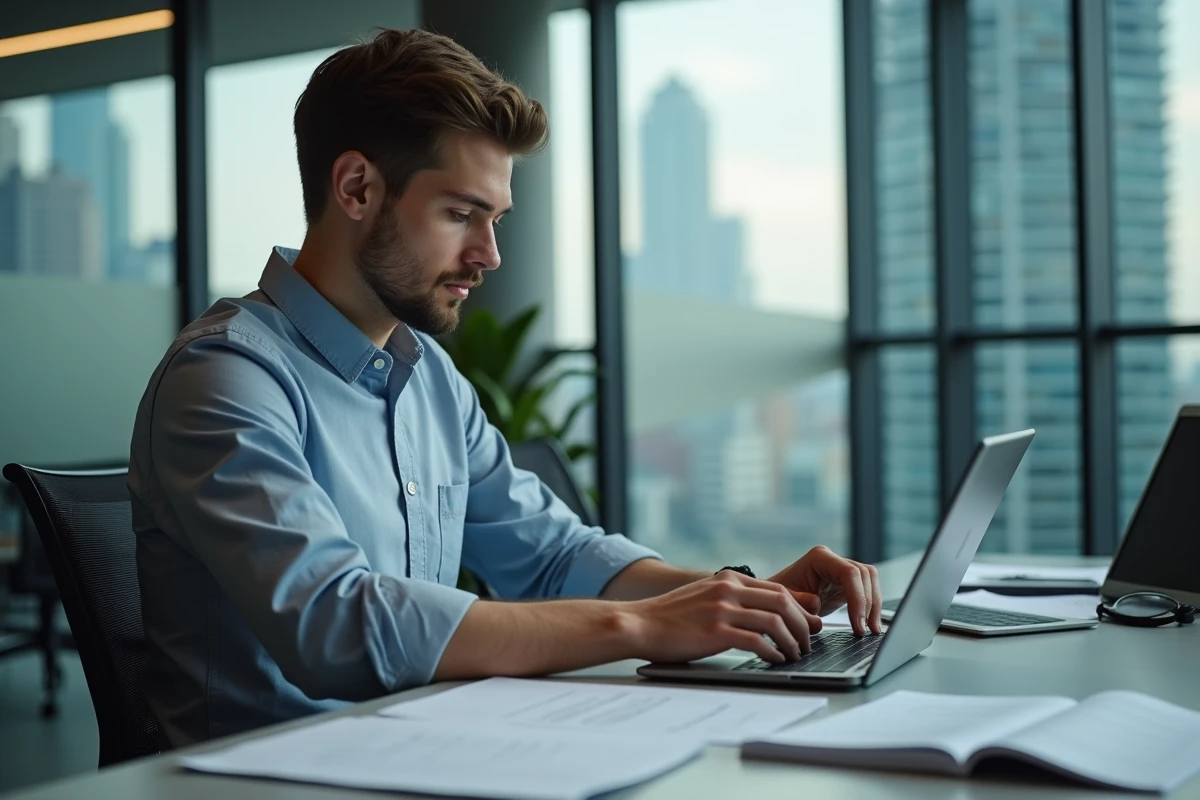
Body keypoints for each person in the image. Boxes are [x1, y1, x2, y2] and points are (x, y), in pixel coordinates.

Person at [128, 27, 883, 748]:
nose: (488, 255)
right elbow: (334, 624)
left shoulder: (428, 378)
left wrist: (736, 601)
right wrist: (646, 626)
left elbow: (554, 556)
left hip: (422, 750)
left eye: (495, 219)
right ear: (356, 188)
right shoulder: (225, 378)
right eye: (461, 213)